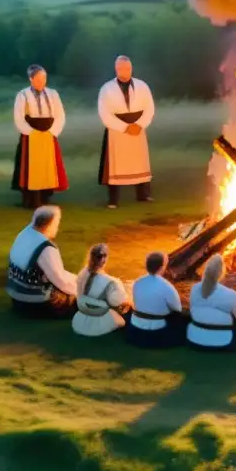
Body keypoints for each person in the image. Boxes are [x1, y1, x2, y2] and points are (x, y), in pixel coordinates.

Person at [98, 56, 155, 209]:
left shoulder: (142, 86)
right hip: (117, 132)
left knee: (140, 162)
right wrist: (124, 127)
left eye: (128, 68)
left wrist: (140, 124)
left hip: (138, 129)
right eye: (122, 68)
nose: (126, 71)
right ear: (116, 69)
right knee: (116, 166)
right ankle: (113, 199)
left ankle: (143, 195)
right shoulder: (106, 89)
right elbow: (104, 113)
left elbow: (150, 108)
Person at [5, 205, 79, 318]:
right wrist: (80, 288)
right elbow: (61, 281)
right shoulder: (45, 248)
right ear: (51, 225)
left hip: (16, 299)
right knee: (81, 299)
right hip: (37, 304)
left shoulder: (23, 234)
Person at [12, 65, 68, 209]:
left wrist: (53, 131)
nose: (41, 81)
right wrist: (31, 133)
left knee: (48, 165)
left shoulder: (53, 94)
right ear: (31, 79)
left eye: (44, 78)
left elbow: (60, 114)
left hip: (49, 134)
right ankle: (31, 199)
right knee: (30, 167)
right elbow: (19, 117)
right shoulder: (22, 95)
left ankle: (45, 197)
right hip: (31, 136)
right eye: (38, 79)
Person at [186, 255, 236, 351]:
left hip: (195, 341)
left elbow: (193, 312)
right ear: (221, 273)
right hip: (223, 344)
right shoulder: (231, 295)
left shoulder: (194, 289)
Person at [125, 252, 186, 348]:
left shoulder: (137, 282)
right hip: (156, 330)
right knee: (178, 317)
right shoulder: (167, 286)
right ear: (162, 267)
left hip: (135, 327)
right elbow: (177, 309)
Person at [72, 243, 130, 338]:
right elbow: (118, 302)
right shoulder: (111, 282)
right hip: (99, 325)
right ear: (104, 260)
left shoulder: (82, 274)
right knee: (127, 310)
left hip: (79, 321)